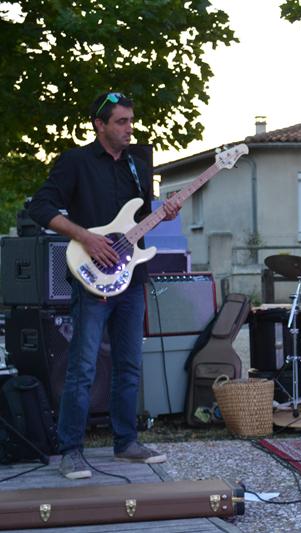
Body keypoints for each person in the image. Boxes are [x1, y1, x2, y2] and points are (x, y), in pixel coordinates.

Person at [28, 91, 182, 479]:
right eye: (121, 122)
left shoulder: (137, 165)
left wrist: (164, 213)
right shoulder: (76, 162)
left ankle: (126, 442)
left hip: (131, 278)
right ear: (100, 125)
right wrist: (86, 238)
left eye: (131, 121)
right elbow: (40, 207)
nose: (130, 128)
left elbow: (140, 217)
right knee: (82, 366)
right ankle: (71, 450)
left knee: (129, 365)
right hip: (93, 277)